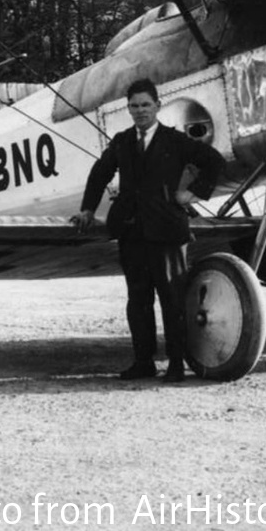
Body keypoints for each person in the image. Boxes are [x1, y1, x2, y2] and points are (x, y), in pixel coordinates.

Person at [74, 78, 224, 383]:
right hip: (132, 232)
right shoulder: (122, 141)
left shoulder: (175, 140)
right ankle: (142, 362)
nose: (140, 111)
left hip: (167, 232)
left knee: (173, 300)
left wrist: (190, 195)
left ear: (157, 105)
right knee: (138, 301)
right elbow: (100, 172)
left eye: (145, 105)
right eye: (134, 106)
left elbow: (215, 162)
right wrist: (88, 208)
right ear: (127, 109)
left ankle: (176, 365)